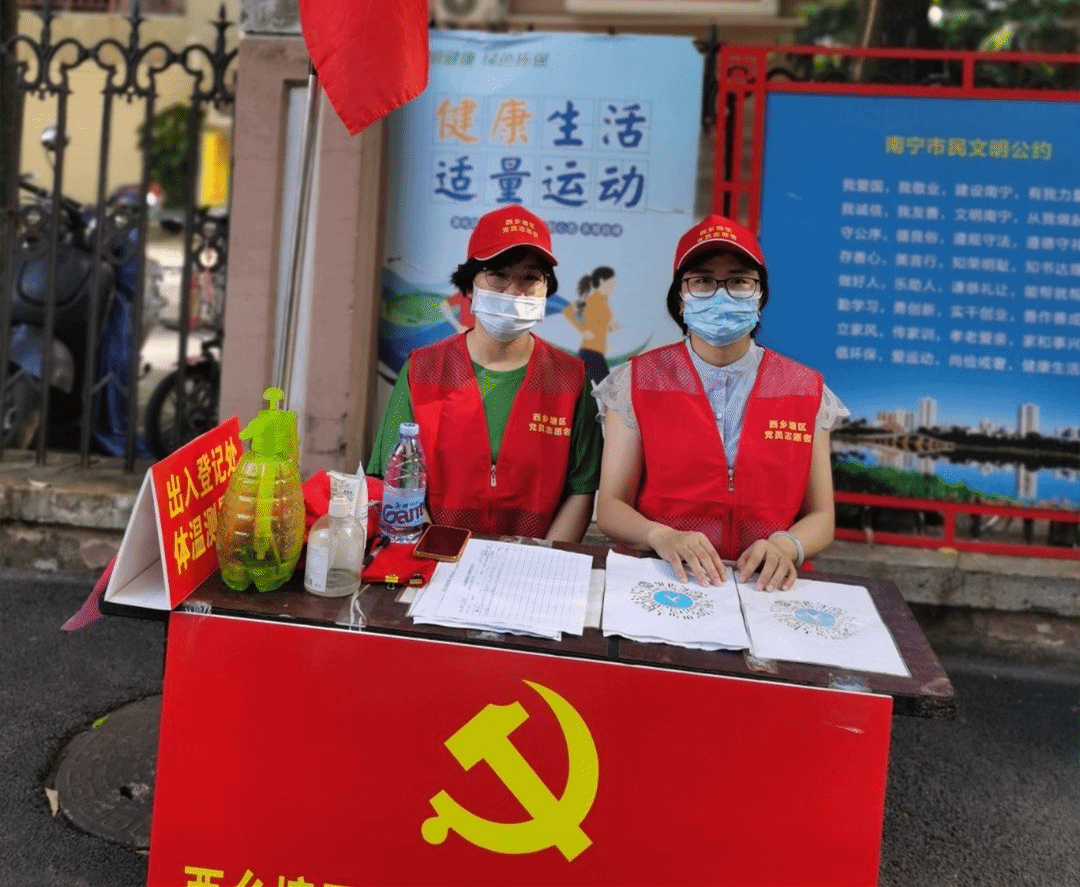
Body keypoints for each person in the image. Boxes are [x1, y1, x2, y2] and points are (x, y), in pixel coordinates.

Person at [593, 214, 848, 591]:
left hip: (763, 587)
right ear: (681, 299)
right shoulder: (636, 382)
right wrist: (660, 536)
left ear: (760, 295)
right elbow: (612, 506)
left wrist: (787, 545)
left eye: (739, 281)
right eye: (703, 280)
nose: (721, 294)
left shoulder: (805, 390)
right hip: (661, 579)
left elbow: (822, 516)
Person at [367, 206, 603, 543]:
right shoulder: (422, 369)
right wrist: (438, 552)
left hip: (534, 562)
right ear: (469, 286)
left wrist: (543, 557)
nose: (514, 291)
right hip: (434, 555)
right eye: (498, 274)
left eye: (530, 278)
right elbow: (398, 479)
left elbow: (580, 489)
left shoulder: (570, 379)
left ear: (546, 289)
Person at [562, 265, 620, 386]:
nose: (613, 285)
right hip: (591, 353)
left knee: (580, 389)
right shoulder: (592, 299)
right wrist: (582, 330)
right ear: (602, 281)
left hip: (594, 352)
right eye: (610, 281)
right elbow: (568, 311)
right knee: (608, 390)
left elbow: (597, 325)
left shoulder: (603, 300)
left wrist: (610, 328)